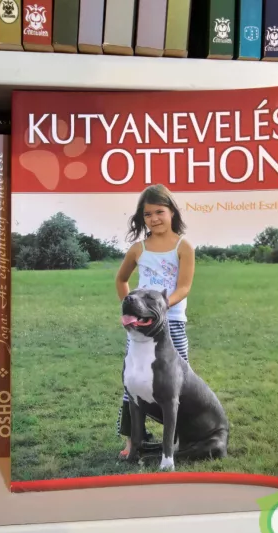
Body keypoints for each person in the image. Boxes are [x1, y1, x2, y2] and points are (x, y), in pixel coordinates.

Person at [115, 184, 196, 458]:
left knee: (177, 383)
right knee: (132, 381)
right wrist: (132, 311)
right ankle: (132, 440)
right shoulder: (138, 249)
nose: (154, 218)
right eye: (147, 214)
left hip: (173, 324)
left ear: (172, 211)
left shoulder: (183, 247)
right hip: (140, 329)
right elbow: (121, 280)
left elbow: (184, 287)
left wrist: (161, 308)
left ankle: (179, 439)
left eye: (159, 211)